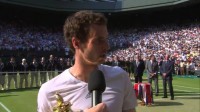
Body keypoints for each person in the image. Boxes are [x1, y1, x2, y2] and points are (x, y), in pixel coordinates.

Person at [37, 10, 137, 112]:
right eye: (98, 40)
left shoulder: (120, 77)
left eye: (106, 39)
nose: (107, 46)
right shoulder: (49, 91)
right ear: (76, 43)